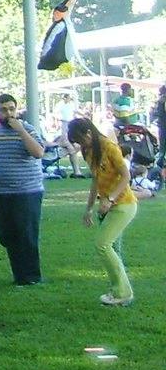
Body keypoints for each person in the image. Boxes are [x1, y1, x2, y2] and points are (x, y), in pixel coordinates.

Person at [0, 93, 48, 285]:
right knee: (6, 234)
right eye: (4, 109)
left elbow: (39, 152)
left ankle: (30, 277)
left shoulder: (28, 129)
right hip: (1, 192)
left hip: (27, 191)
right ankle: (19, 273)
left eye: (11, 109)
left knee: (26, 234)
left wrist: (21, 131)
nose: (8, 113)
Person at [69, 119, 138, 306]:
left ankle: (123, 292)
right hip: (106, 207)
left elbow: (126, 176)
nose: (80, 144)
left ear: (89, 133)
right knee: (112, 249)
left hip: (124, 204)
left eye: (80, 139)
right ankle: (119, 292)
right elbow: (95, 181)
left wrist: (111, 199)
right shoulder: (88, 151)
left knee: (102, 244)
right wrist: (89, 208)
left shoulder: (110, 147)